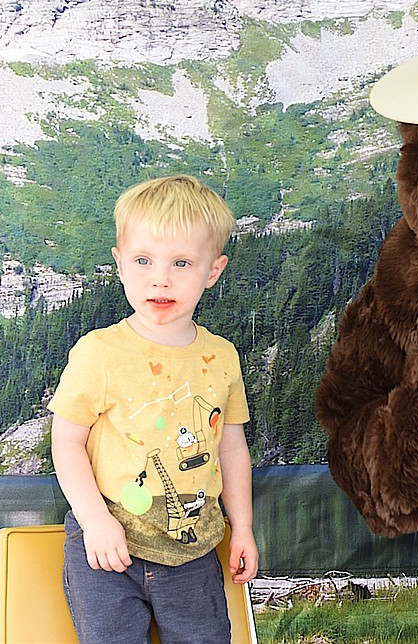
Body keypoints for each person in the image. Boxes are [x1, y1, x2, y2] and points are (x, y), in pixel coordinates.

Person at [49, 174, 257, 644]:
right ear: (120, 265)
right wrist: (95, 521)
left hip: (194, 550)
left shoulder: (222, 356)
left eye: (181, 263)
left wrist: (241, 528)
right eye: (143, 260)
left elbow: (231, 447)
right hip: (107, 548)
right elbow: (66, 442)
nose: (160, 278)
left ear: (213, 271)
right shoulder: (99, 352)